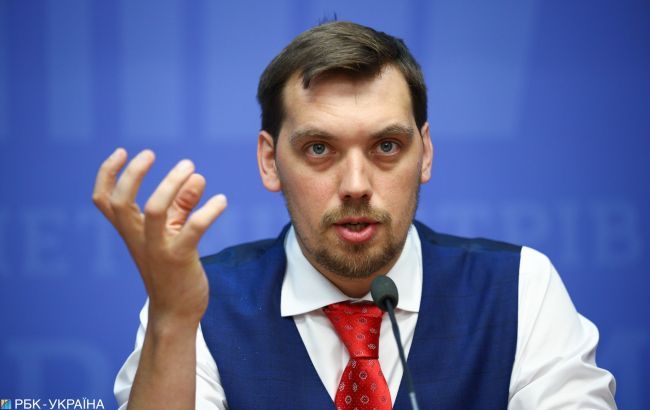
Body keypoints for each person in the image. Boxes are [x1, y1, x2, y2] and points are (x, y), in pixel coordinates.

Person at [93, 21, 616, 409]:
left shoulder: (520, 289)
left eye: (387, 146)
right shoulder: (196, 304)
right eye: (319, 149)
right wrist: (172, 321)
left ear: (425, 154)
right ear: (269, 161)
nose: (356, 185)